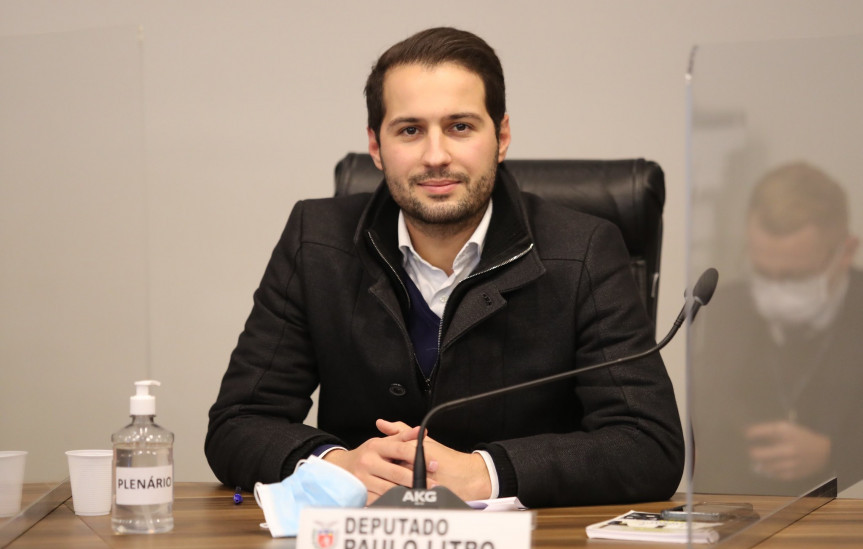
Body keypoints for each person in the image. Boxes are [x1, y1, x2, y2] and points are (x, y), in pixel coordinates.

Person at [205, 27, 684, 507]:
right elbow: (237, 423)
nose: (436, 156)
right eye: (410, 130)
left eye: (460, 127)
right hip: (362, 546)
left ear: (502, 136)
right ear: (375, 146)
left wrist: (487, 473)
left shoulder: (584, 250)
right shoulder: (316, 239)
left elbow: (648, 445)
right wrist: (336, 463)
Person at [693, 161, 863, 495]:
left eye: (795, 277)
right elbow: (707, 423)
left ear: (845, 253)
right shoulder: (724, 308)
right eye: (762, 272)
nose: (775, 289)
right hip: (740, 512)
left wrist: (835, 454)